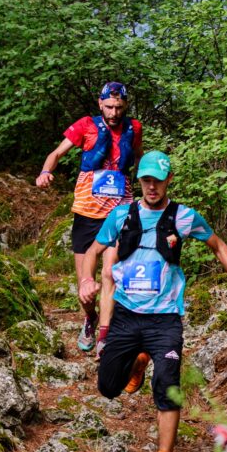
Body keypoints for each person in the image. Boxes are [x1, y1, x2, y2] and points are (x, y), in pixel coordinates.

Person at [78, 150, 227, 452]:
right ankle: (137, 362)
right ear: (139, 181)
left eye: (158, 181)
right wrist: (87, 279)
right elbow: (93, 251)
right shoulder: (121, 215)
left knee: (167, 386)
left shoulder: (184, 217)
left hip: (165, 319)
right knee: (108, 387)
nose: (152, 187)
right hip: (126, 314)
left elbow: (218, 245)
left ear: (168, 180)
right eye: (146, 180)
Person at [36, 82, 143, 351]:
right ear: (100, 104)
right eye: (109, 107)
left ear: (125, 106)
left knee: (110, 273)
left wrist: (150, 191)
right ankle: (89, 317)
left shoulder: (134, 128)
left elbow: (139, 160)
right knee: (85, 284)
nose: (114, 112)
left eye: (119, 107)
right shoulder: (86, 125)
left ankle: (105, 335)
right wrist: (45, 172)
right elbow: (56, 153)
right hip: (87, 213)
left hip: (119, 213)